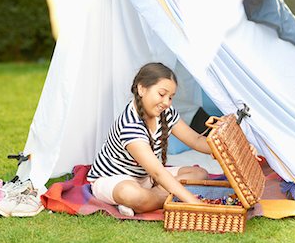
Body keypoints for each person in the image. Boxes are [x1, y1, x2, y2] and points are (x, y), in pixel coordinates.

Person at [87, 62, 259, 217]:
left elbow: (196, 140)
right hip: (115, 179)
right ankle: (142, 200)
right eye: (161, 94)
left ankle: (145, 203)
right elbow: (158, 172)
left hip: (147, 178)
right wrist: (195, 203)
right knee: (131, 193)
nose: (166, 102)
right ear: (141, 89)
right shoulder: (130, 125)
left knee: (199, 174)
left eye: (170, 97)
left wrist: (234, 146)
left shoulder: (165, 113)